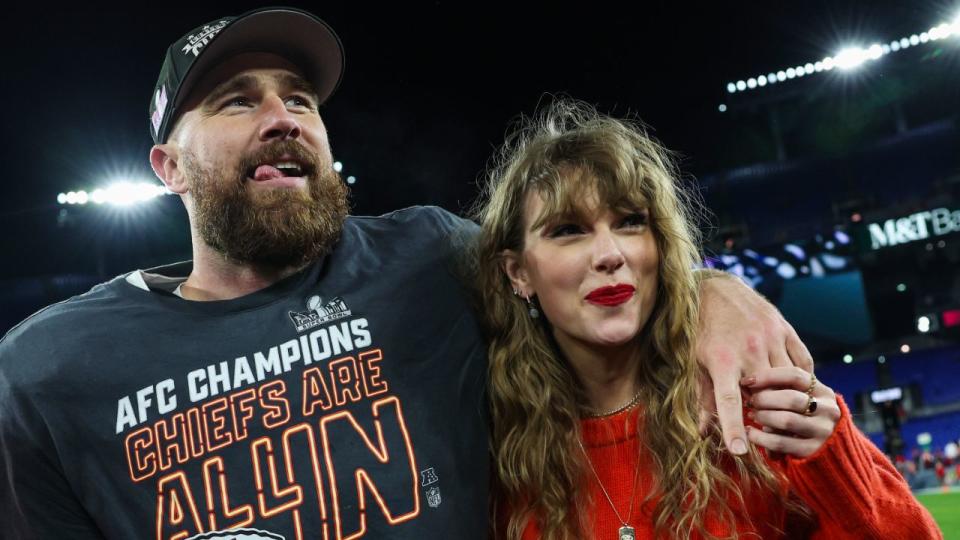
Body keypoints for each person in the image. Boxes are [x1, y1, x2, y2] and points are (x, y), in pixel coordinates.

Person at [1, 8, 813, 539]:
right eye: (236, 101)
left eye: (301, 99)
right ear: (166, 166)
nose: (284, 116)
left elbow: (584, 265)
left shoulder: (430, 257)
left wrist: (711, 290)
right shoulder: (48, 371)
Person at [474, 99, 942, 539]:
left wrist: (833, 459)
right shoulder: (491, 451)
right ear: (518, 273)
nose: (609, 254)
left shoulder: (748, 404)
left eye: (630, 222)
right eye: (568, 230)